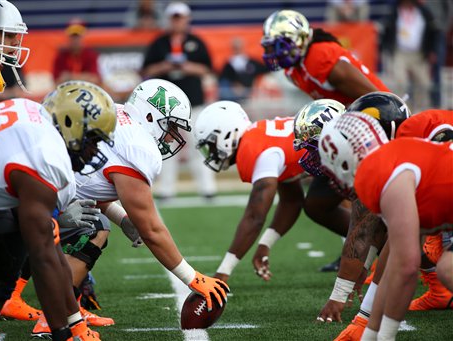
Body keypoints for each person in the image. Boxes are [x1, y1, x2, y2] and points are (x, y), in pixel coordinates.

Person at [0, 80, 117, 340]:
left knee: (12, 251)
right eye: (92, 140)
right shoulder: (45, 155)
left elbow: (50, 249)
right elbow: (43, 257)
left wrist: (72, 323)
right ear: (69, 125)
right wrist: (62, 332)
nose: (94, 152)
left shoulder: (29, 112)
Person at [43, 79, 229, 322]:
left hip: (41, 190)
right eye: (170, 126)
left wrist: (122, 218)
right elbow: (151, 229)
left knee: (92, 221)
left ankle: (67, 307)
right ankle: (54, 317)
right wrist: (193, 278)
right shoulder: (137, 146)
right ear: (150, 117)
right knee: (94, 228)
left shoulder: (119, 114)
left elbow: (90, 185)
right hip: (36, 200)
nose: (172, 138)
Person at [261, 9, 391, 272]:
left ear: (299, 40)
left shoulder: (320, 57)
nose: (277, 53)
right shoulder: (295, 69)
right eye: (273, 47)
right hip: (348, 132)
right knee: (318, 202)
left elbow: (375, 99)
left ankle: (374, 251)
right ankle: (360, 247)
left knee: (361, 199)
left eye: (281, 46)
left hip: (374, 130)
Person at [318, 111, 453, 341]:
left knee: (448, 268)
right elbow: (393, 260)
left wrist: (384, 337)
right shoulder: (397, 158)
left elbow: (407, 267)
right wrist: (367, 329)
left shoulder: (380, 172)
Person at [192, 100, 313, 281]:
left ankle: (363, 264)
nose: (210, 152)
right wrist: (264, 245)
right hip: (332, 150)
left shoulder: (258, 151)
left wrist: (222, 273)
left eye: (210, 144)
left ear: (226, 135)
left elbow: (254, 218)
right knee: (319, 204)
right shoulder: (261, 138)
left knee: (321, 204)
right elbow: (291, 201)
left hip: (344, 147)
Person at [141, 1, 217, 200]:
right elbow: (147, 70)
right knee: (167, 148)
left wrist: (186, 66)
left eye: (180, 18)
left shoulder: (197, 42)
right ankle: (167, 190)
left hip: (194, 102)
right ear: (168, 19)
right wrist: (166, 66)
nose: (177, 22)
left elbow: (207, 69)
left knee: (199, 146)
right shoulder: (159, 43)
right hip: (166, 106)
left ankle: (207, 188)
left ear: (187, 19)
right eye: (174, 18)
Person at [380, 0, 438, 113]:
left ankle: (421, 110)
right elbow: (387, 31)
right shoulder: (394, 12)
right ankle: (403, 110)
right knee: (400, 81)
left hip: (419, 54)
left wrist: (431, 50)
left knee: (423, 83)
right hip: (400, 53)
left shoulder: (424, 12)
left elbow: (433, 31)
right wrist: (387, 48)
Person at [218, 37, 268, 103]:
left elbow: (265, 70)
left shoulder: (252, 62)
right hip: (234, 94)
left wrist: (257, 82)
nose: (237, 49)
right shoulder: (228, 64)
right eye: (235, 47)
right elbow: (223, 77)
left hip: (251, 91)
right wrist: (234, 85)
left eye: (239, 47)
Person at [53, 19, 100, 86]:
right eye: (73, 36)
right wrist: (85, 77)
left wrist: (70, 77)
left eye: (77, 36)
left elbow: (95, 79)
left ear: (82, 36)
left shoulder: (90, 54)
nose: (75, 40)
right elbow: (56, 81)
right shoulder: (61, 56)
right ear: (68, 37)